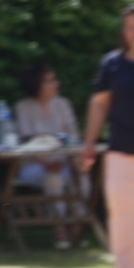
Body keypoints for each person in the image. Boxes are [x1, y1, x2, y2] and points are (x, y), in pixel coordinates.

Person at [82, 2, 134, 268]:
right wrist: (89, 143)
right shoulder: (112, 64)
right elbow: (99, 104)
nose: (133, 32)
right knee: (121, 216)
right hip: (121, 152)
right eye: (129, 27)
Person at [15, 63, 79, 248]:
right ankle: (60, 232)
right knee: (53, 178)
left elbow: (74, 137)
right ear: (37, 84)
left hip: (64, 161)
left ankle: (78, 228)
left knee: (82, 177)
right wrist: (46, 164)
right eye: (50, 80)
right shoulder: (23, 107)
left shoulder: (63, 104)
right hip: (34, 166)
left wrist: (72, 161)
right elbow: (27, 143)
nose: (56, 83)